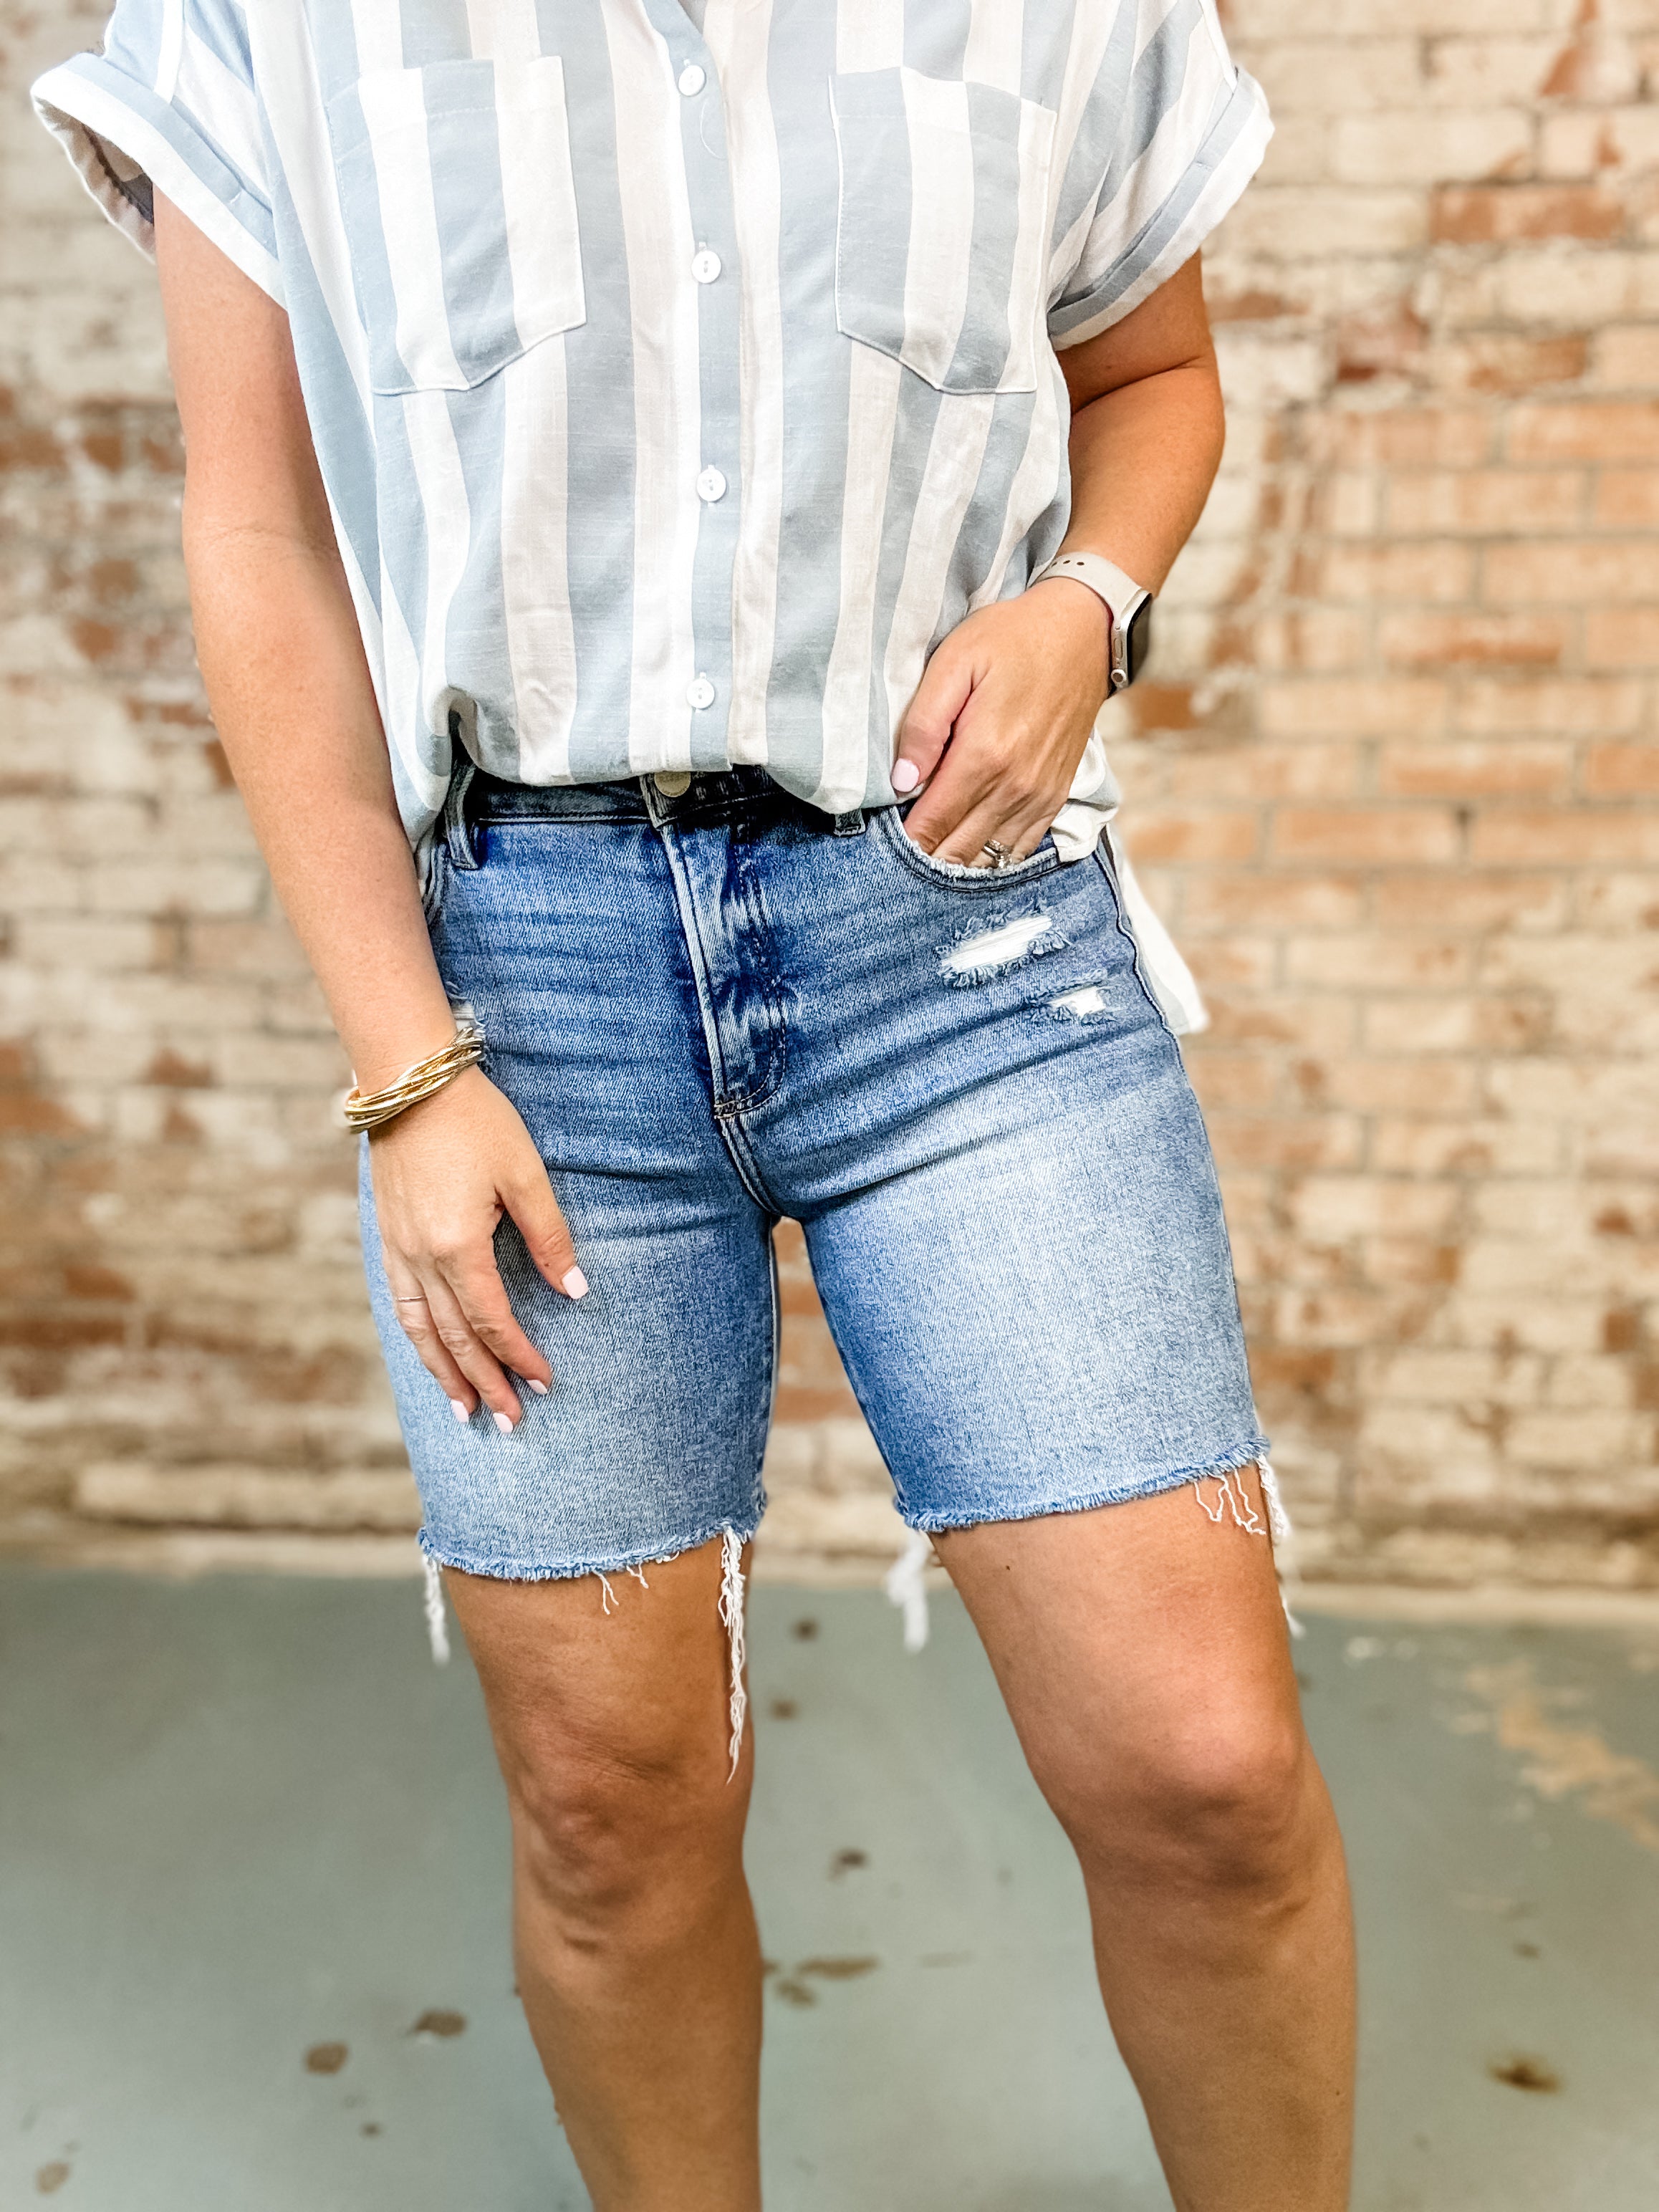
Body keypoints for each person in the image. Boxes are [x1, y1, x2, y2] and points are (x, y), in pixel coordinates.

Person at [36, 4, 1355, 2205]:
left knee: (1201, 1776)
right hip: (521, 993)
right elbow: (256, 536)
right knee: (607, 1810)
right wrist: (406, 1065)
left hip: (966, 946)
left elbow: (1152, 374)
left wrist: (1084, 600)